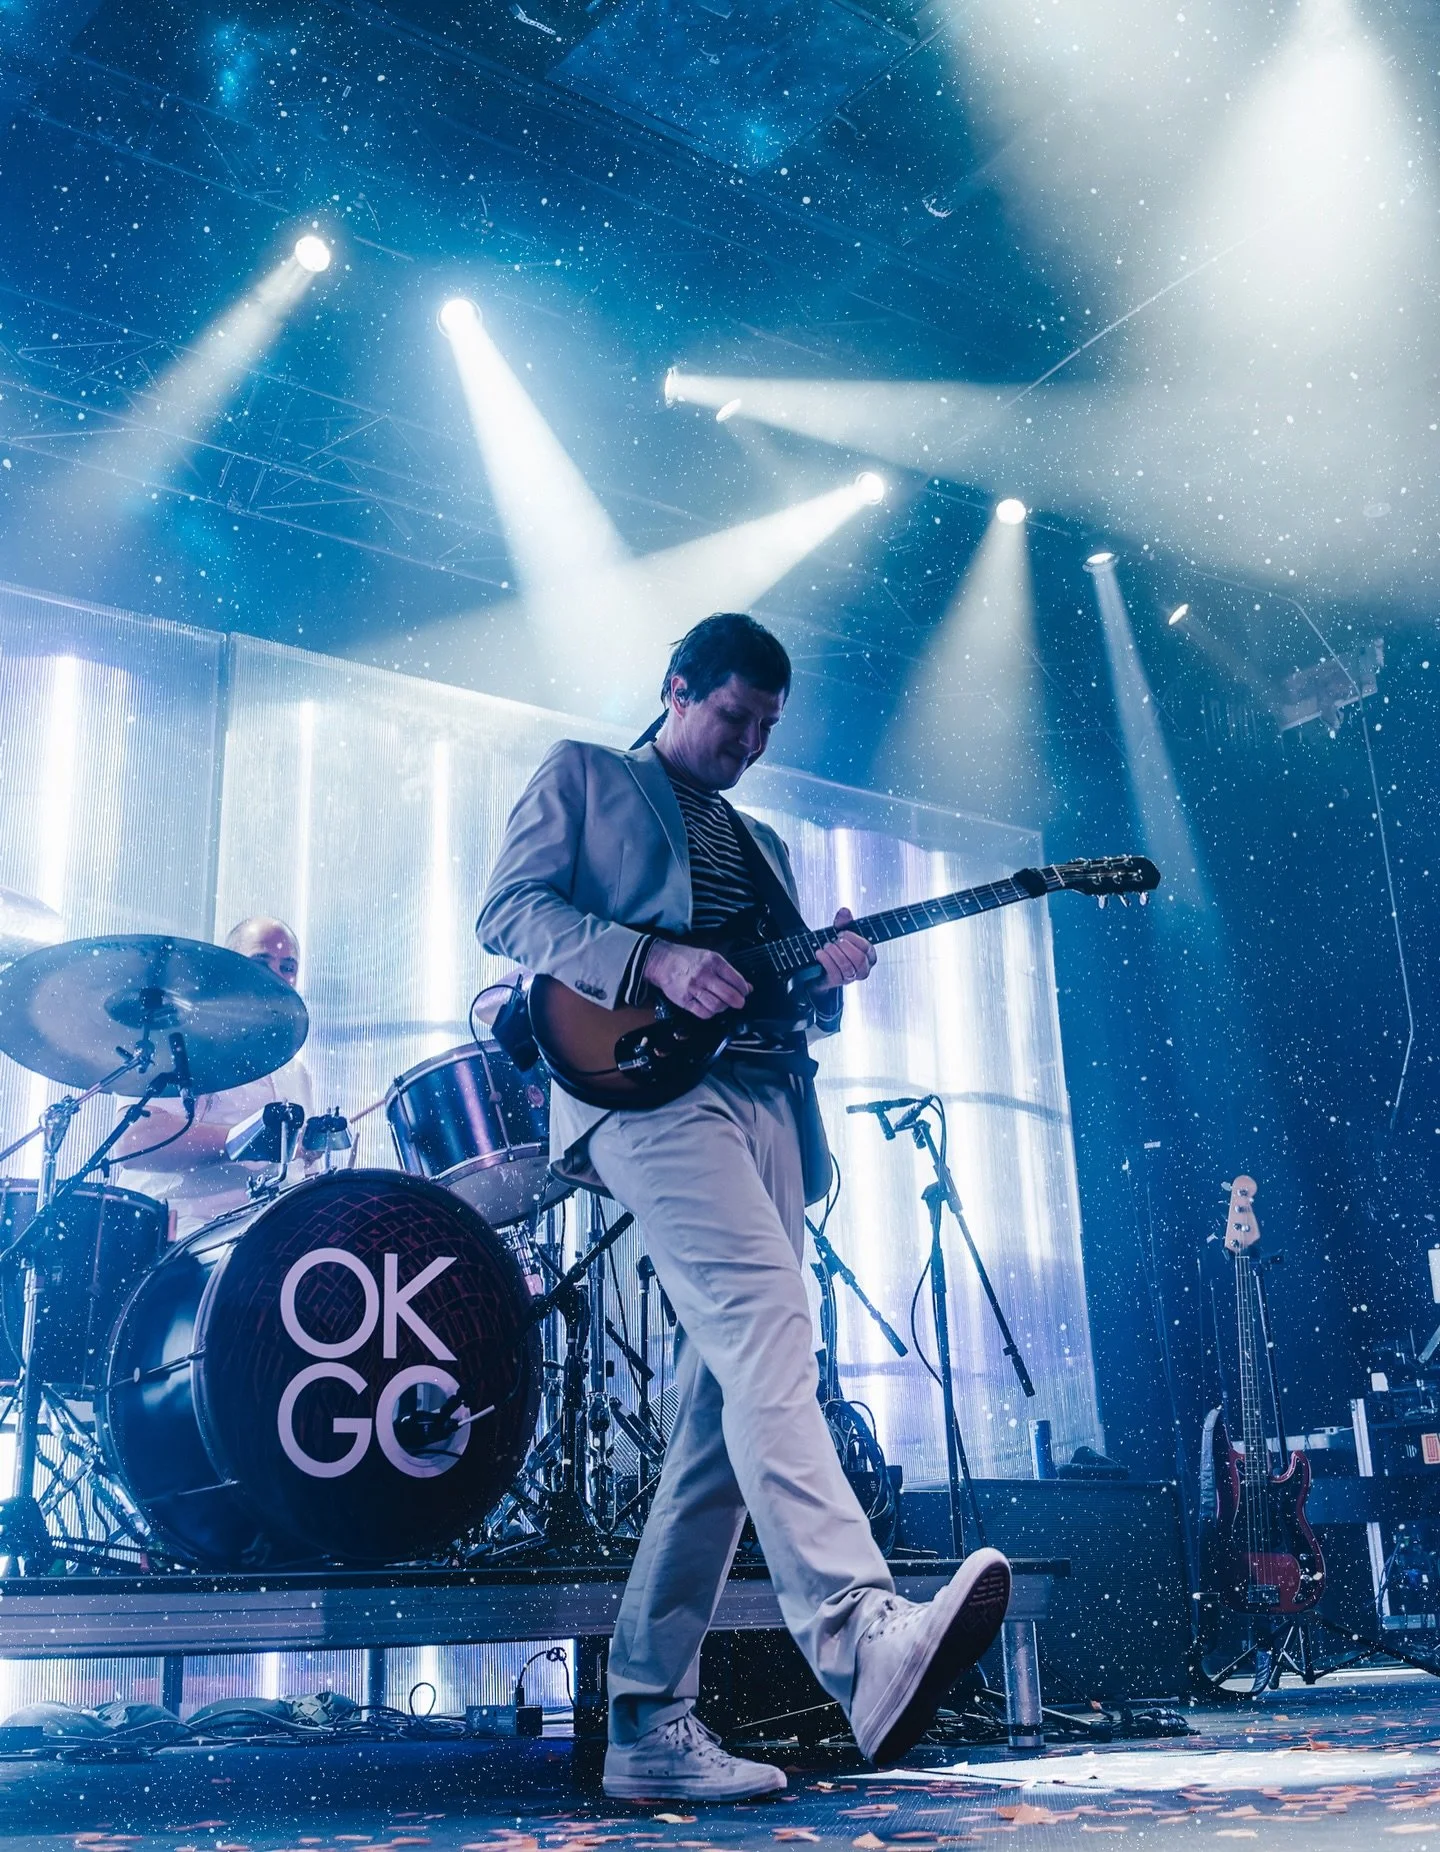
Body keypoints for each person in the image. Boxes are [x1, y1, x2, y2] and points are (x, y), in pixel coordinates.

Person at [478, 613, 1010, 1801]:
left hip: (769, 1099)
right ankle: (865, 1637)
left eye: (768, 729)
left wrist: (826, 981)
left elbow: (770, 993)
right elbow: (508, 913)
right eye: (733, 718)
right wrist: (648, 961)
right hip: (646, 1090)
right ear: (676, 689)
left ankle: (651, 1722)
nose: (750, 745)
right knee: (771, 1324)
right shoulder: (586, 776)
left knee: (726, 1413)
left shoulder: (760, 838)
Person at [114, 916, 314, 1234]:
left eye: (287, 967)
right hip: (181, 1238)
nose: (276, 976)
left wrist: (309, 1155)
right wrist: (248, 1140)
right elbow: (135, 1141)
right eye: (260, 962)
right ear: (227, 969)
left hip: (268, 1241)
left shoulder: (296, 1071)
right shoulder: (174, 1041)